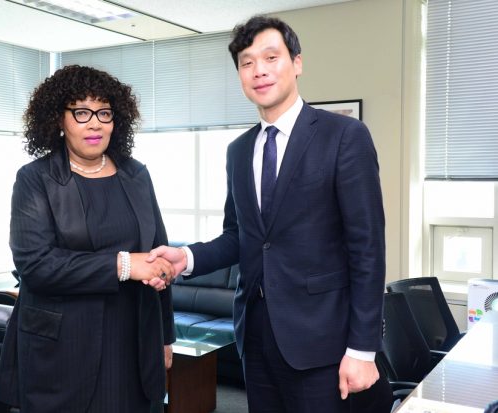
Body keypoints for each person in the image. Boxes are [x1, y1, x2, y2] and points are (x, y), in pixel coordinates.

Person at [149, 15, 388, 413]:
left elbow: (367, 249)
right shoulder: (238, 151)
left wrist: (362, 349)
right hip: (257, 338)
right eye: (246, 62)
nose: (258, 70)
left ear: (296, 63)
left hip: (322, 342)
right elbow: (238, 235)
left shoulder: (344, 136)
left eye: (271, 57)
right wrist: (187, 258)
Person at [0, 65, 174, 413]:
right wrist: (123, 265)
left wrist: (165, 335)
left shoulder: (136, 173)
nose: (95, 123)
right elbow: (36, 266)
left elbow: (157, 252)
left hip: (133, 343)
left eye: (104, 112)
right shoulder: (35, 179)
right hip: (63, 350)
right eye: (81, 112)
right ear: (59, 120)